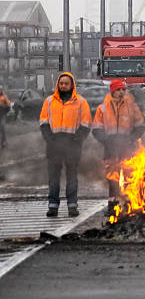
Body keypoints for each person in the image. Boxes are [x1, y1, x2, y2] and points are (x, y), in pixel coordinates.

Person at [39, 72, 92, 217]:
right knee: (53, 177)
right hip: (54, 144)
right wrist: (49, 138)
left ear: (71, 85)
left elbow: (86, 123)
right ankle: (53, 206)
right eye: (61, 83)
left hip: (72, 145)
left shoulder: (81, 102)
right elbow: (43, 122)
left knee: (72, 176)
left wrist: (77, 139)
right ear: (58, 85)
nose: (63, 86)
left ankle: (72, 205)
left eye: (66, 83)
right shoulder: (49, 101)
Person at [92, 79, 145, 215]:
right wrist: (106, 140)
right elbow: (96, 129)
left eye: (123, 89)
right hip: (110, 148)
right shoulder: (102, 108)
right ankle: (113, 206)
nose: (121, 92)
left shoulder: (131, 107)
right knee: (112, 178)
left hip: (127, 147)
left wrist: (131, 139)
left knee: (128, 176)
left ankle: (128, 205)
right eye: (118, 90)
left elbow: (140, 127)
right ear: (112, 91)